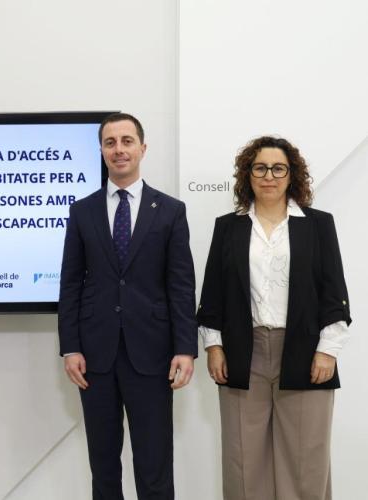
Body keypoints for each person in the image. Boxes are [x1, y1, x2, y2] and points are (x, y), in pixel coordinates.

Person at [197, 136, 351, 500]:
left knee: (304, 462)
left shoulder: (318, 224)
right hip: (243, 352)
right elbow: (213, 294)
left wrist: (328, 350)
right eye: (260, 168)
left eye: (278, 168)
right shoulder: (228, 226)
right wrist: (214, 347)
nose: (269, 176)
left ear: (291, 174)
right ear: (248, 175)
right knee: (243, 461)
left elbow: (334, 292)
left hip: (305, 350)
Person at [58, 113, 197, 500]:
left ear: (142, 148)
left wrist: (185, 348)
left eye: (126, 141)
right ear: (102, 151)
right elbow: (70, 284)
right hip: (95, 356)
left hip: (153, 354)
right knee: (103, 466)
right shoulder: (82, 211)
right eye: (110, 142)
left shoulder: (170, 210)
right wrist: (70, 347)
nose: (118, 149)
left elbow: (181, 284)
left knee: (154, 464)